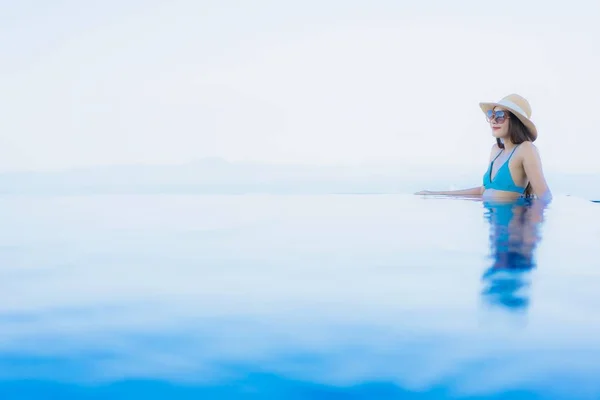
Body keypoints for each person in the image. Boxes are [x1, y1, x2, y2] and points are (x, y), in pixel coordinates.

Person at [415, 94, 552, 202]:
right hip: (493, 231)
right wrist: (435, 194)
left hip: (513, 231)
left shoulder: (526, 149)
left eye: (499, 116)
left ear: (516, 120)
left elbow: (544, 196)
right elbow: (483, 191)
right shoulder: (496, 151)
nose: (493, 120)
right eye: (491, 115)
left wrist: (530, 235)